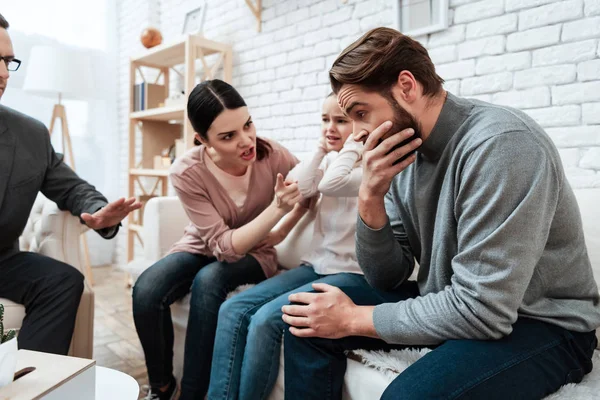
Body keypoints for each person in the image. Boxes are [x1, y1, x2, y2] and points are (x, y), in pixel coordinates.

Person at [281, 27, 600, 400]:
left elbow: (483, 309)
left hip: (543, 325)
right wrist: (370, 197)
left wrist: (352, 319)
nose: (357, 135)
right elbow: (387, 276)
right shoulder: (401, 153)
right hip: (456, 301)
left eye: (361, 113)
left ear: (407, 86)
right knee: (305, 318)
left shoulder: (502, 145)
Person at [132, 79, 305, 400]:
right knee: (146, 290)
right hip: (201, 246)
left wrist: (280, 231)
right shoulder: (187, 171)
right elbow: (222, 246)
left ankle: (192, 394)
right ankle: (162, 386)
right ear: (202, 140)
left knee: (209, 280)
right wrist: (276, 211)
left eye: (248, 124)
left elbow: (309, 192)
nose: (246, 140)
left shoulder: (274, 155)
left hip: (256, 253)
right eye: (228, 136)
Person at [207, 92, 370, 400]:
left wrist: (352, 147)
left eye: (340, 121)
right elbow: (304, 186)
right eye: (325, 120)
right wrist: (322, 149)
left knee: (266, 319)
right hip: (316, 266)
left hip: (350, 273)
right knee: (233, 308)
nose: (329, 128)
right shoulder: (332, 161)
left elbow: (328, 185)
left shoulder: (371, 166)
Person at [0, 13, 140, 356]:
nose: (3, 73)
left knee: (64, 281)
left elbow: (71, 187)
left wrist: (98, 212)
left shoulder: (30, 135)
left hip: (2, 259)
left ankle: (28, 383)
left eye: (7, 61)